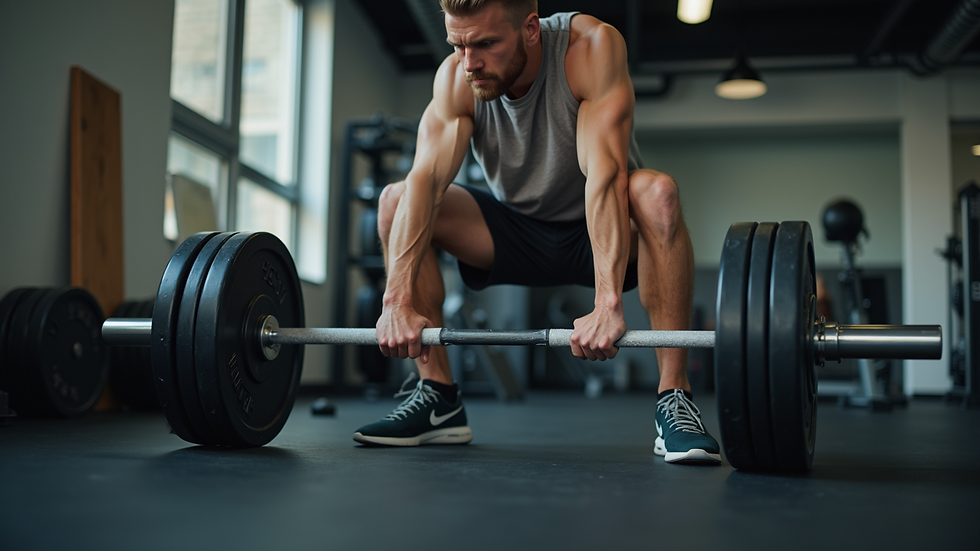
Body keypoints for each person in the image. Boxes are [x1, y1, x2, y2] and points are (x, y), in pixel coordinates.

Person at [353, 0, 721, 465]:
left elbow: (605, 175)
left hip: (597, 230)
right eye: (458, 46)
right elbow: (424, 182)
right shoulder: (456, 78)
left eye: (486, 43)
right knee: (395, 199)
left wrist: (607, 303)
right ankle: (438, 398)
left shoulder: (589, 48)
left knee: (657, 193)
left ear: (530, 29)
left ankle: (674, 398)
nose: (470, 63)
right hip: (512, 234)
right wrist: (395, 300)